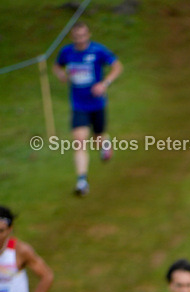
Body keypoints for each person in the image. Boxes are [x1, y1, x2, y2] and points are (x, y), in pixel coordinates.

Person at [53, 21, 123, 197]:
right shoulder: (66, 52)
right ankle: (82, 181)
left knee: (98, 137)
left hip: (97, 104)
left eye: (83, 36)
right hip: (78, 105)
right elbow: (56, 65)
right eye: (77, 37)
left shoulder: (98, 50)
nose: (80, 40)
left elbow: (117, 66)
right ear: (72, 37)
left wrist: (104, 83)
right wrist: (60, 74)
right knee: (79, 142)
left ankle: (105, 144)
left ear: (88, 35)